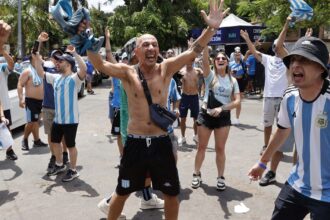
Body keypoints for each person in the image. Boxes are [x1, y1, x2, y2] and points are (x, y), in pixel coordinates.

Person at [85, 1, 229, 219]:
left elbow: (192, 52)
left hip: (161, 142)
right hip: (135, 142)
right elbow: (101, 66)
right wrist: (87, 43)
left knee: (171, 193)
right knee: (123, 191)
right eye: (146, 45)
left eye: (154, 44)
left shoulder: (166, 68)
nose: (151, 48)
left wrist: (212, 29)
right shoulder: (127, 73)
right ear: (137, 51)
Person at [248, 36, 330, 220]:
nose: (295, 65)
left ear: (321, 68)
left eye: (304, 60)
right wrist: (262, 163)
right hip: (298, 184)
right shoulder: (290, 96)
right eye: (293, 59)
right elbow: (282, 130)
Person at [240, 17, 296, 186]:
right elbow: (254, 52)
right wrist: (248, 40)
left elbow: (280, 42)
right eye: (275, 47)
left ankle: (277, 158)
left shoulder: (289, 61)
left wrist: (286, 24)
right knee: (267, 124)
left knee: (281, 129)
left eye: (280, 46)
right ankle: (266, 147)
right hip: (268, 96)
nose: (277, 48)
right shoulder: (268, 59)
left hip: (283, 98)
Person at [33, 43, 87, 182]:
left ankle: (73, 170)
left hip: (71, 120)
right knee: (55, 142)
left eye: (60, 61)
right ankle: (59, 164)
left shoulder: (74, 79)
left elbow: (84, 68)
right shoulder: (56, 78)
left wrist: (74, 54)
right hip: (58, 120)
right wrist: (37, 49)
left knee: (70, 146)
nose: (57, 63)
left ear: (68, 64)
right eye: (57, 61)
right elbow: (40, 72)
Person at [192, 46, 240, 190]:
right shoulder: (210, 75)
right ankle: (196, 174)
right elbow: (205, 61)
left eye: (223, 58)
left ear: (227, 62)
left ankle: (220, 177)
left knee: (220, 148)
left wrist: (221, 108)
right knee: (201, 147)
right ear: (214, 62)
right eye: (217, 58)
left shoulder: (233, 81)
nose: (220, 60)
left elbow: (237, 101)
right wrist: (206, 44)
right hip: (206, 115)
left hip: (223, 117)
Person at [17, 54, 48, 151]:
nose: (42, 59)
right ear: (34, 60)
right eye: (39, 58)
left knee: (36, 122)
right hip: (31, 101)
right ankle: (24, 139)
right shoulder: (27, 71)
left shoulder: (41, 71)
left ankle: (37, 140)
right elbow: (20, 84)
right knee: (31, 122)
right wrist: (21, 98)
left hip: (40, 101)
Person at [178, 39, 203, 145]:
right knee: (182, 119)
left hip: (194, 97)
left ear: (193, 61)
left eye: (191, 60)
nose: (189, 62)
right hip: (184, 97)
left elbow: (207, 72)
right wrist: (189, 47)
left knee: (196, 119)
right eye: (188, 60)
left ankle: (196, 135)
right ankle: (183, 137)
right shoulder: (181, 72)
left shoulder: (198, 71)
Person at [0, 23, 18, 160]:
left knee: (7, 128)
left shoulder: (2, 66)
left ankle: (10, 151)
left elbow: (12, 65)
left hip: (4, 104)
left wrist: (3, 51)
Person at [228, 47, 247, 125]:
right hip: (232, 83)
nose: (237, 55)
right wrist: (231, 73)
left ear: (240, 55)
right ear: (234, 55)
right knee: (230, 101)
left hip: (241, 83)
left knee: (238, 102)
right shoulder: (230, 63)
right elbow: (227, 74)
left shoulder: (243, 62)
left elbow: (242, 76)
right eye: (236, 54)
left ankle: (237, 118)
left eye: (239, 54)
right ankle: (227, 118)